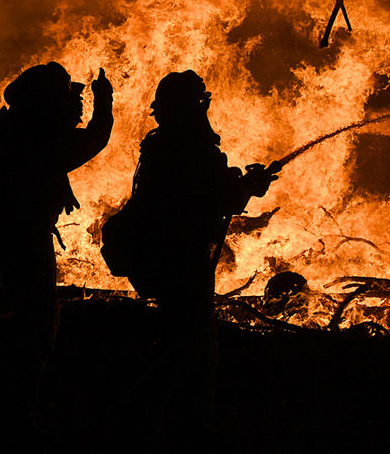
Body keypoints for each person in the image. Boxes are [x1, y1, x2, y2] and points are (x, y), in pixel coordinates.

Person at [117, 70, 276, 433]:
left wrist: (241, 184)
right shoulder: (192, 147)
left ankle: (164, 421)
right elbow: (222, 197)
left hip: (164, 254)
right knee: (194, 351)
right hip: (183, 261)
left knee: (178, 342)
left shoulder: (161, 144)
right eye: (201, 103)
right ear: (195, 106)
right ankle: (182, 428)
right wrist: (250, 185)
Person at [0, 61, 113, 409]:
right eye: (66, 95)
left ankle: (5, 407)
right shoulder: (30, 135)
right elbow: (88, 141)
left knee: (23, 322)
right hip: (22, 240)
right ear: (45, 101)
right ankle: (14, 414)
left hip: (11, 235)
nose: (74, 101)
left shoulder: (14, 124)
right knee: (35, 328)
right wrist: (104, 104)